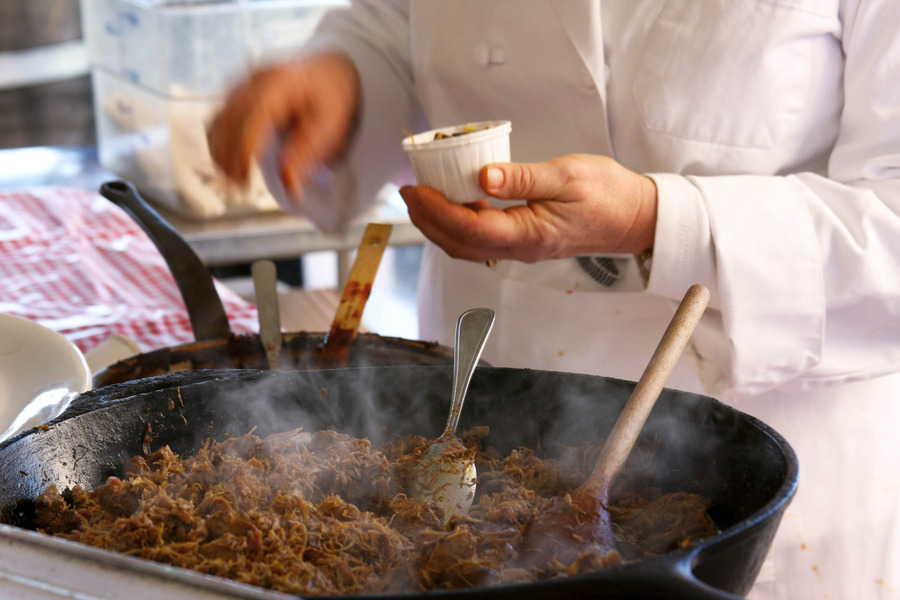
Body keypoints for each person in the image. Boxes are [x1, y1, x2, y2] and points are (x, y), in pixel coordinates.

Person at [207, 2, 900, 598]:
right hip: (472, 442)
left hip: (755, 476)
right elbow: (397, 23)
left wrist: (657, 221)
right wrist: (350, 77)